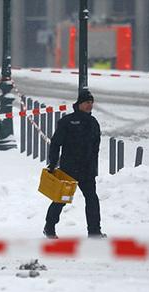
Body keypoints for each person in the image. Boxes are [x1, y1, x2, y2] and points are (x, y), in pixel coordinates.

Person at [43, 89, 106, 239]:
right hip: (69, 168)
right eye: (87, 102)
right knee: (61, 199)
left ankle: (94, 231)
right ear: (79, 104)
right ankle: (49, 227)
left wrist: (93, 165)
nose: (90, 105)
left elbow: (96, 146)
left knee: (92, 199)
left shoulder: (93, 122)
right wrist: (53, 163)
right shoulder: (67, 121)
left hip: (87, 170)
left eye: (91, 102)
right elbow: (56, 143)